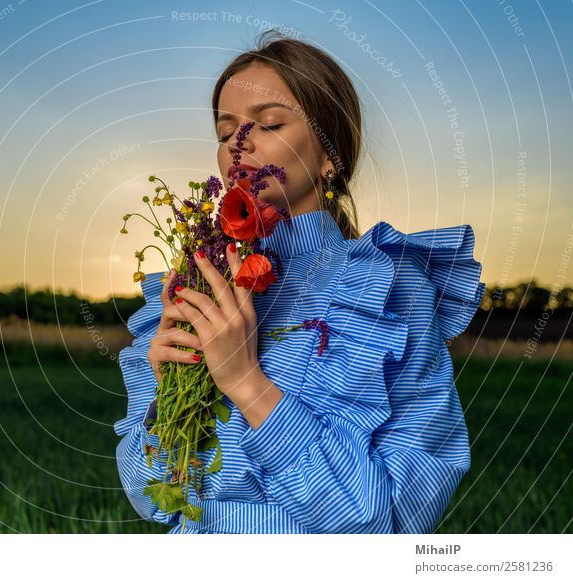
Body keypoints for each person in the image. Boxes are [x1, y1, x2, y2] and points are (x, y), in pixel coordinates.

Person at [114, 32, 485, 534]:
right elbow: (152, 499)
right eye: (225, 134)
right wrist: (165, 399)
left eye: (267, 124)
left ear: (331, 154)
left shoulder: (391, 288)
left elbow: (387, 527)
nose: (238, 147)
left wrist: (247, 383)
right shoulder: (197, 283)